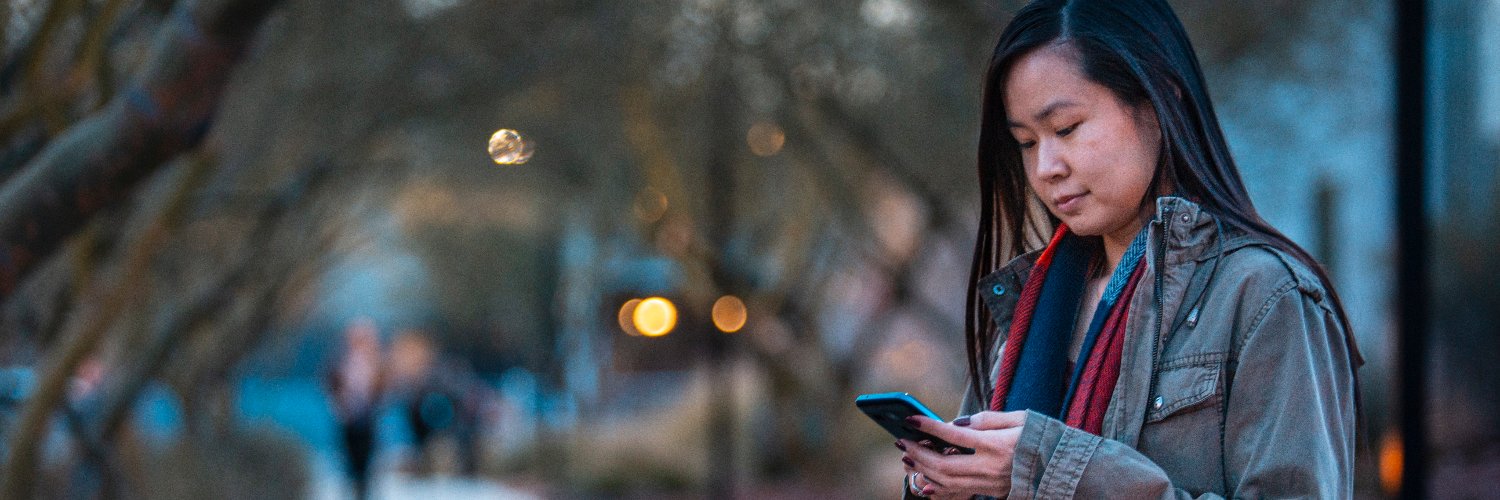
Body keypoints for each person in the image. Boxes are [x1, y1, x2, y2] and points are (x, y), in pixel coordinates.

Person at [895, 1, 1361, 498]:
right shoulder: (1028, 307)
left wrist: (1053, 470)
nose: (1046, 167)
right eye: (1027, 142)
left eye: (1067, 128)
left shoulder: (1263, 296)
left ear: (1161, 101)